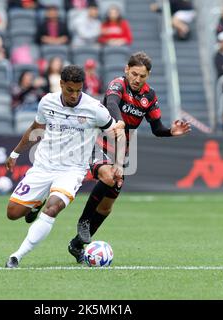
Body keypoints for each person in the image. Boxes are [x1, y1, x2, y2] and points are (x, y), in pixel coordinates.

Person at [67, 52, 191, 263]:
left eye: (142, 76)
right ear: (127, 70)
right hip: (100, 141)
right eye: (134, 74)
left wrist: (171, 131)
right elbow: (113, 103)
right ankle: (84, 222)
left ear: (148, 75)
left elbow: (157, 128)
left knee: (107, 206)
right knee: (108, 177)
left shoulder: (149, 97)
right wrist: (118, 121)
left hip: (123, 150)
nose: (137, 79)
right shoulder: (118, 85)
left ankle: (77, 244)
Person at [4, 65, 122, 268]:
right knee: (13, 213)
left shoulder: (94, 109)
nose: (75, 95)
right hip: (43, 166)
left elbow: (117, 132)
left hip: (71, 171)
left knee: (53, 208)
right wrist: (15, 153)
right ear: (61, 85)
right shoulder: (47, 102)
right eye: (70, 90)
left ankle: (17, 256)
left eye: (79, 90)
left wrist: (119, 163)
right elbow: (35, 129)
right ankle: (36, 202)